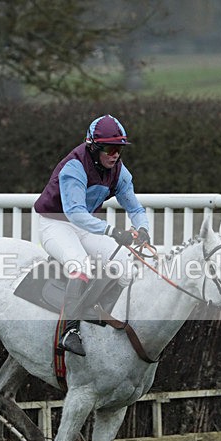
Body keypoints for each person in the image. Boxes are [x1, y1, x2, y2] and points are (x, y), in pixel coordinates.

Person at [34, 114, 151, 356]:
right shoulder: (74, 167)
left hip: (83, 224)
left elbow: (135, 209)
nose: (115, 154)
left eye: (119, 149)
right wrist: (113, 231)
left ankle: (104, 316)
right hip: (55, 223)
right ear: (93, 147)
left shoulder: (120, 171)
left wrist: (143, 230)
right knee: (81, 266)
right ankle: (70, 330)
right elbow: (75, 214)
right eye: (109, 148)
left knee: (125, 267)